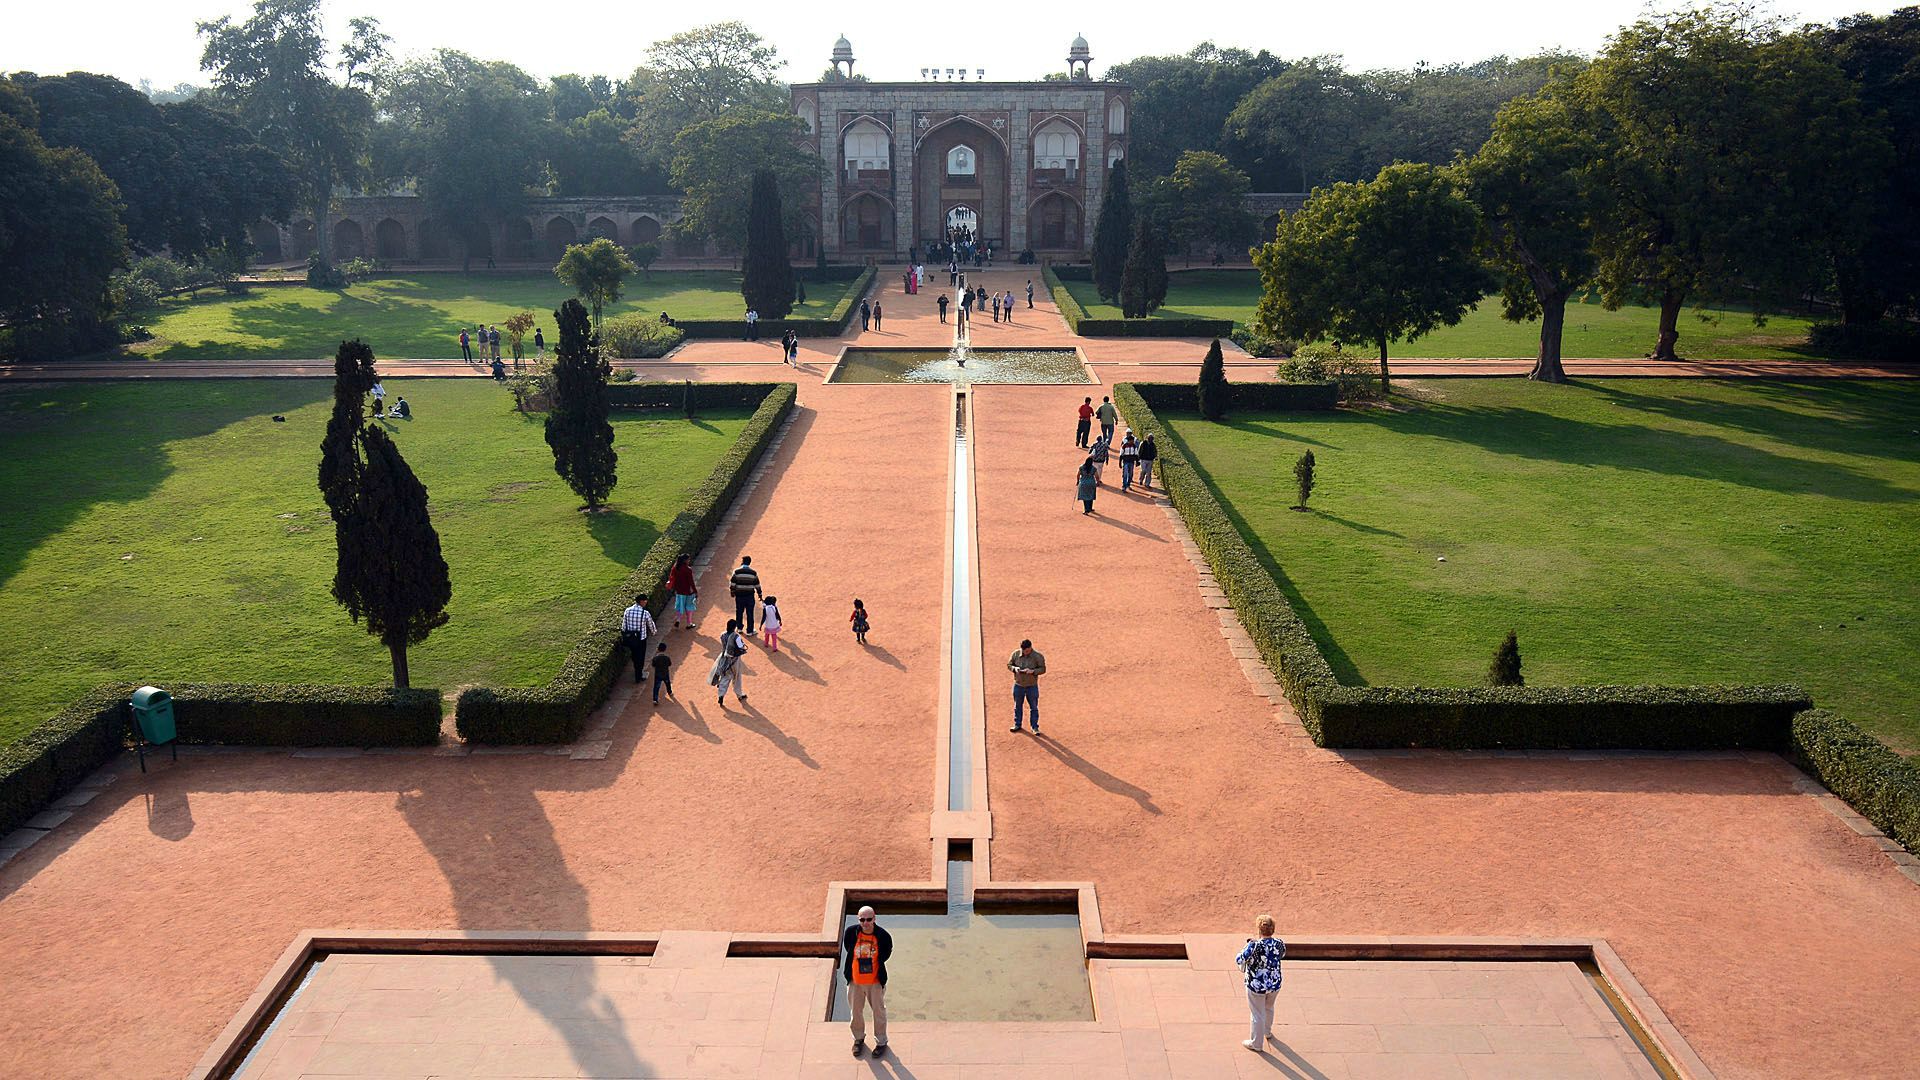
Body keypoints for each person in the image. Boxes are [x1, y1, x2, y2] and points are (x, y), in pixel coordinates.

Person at [843, 905, 893, 1058]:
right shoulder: (851, 933)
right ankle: (858, 1039)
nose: (865, 923)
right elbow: (848, 948)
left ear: (874, 918)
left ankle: (881, 1042)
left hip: (875, 982)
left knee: (879, 1013)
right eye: (862, 920)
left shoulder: (883, 936)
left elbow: (886, 953)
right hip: (855, 981)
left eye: (868, 919)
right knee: (856, 1012)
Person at [1236, 916, 1286, 1051]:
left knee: (1257, 1013)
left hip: (1256, 985)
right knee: (1269, 1007)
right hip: (1274, 983)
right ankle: (1267, 1032)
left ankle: (1256, 1043)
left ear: (1259, 929)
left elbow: (1239, 959)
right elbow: (1282, 954)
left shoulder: (1254, 945)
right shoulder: (1279, 943)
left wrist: (1249, 946)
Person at [709, 619, 749, 706]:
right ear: (734, 627)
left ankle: (721, 695)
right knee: (737, 677)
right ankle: (739, 694)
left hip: (724, 659)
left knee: (725, 677)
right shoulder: (736, 636)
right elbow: (741, 646)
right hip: (735, 660)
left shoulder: (722, 635)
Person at [1008, 639, 1046, 732]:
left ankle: (1034, 727)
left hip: (1031, 686)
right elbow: (1009, 665)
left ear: (1030, 647)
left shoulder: (1038, 656)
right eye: (1024, 651)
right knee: (1018, 706)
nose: (1025, 653)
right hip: (1018, 685)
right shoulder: (1016, 654)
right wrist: (1014, 668)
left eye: (1027, 651)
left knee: (1033, 707)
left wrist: (1033, 671)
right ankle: (1017, 725)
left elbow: (1043, 669)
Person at [620, 593, 657, 684]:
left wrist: (624, 634)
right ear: (641, 602)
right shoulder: (645, 613)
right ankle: (639, 675)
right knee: (640, 657)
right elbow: (651, 624)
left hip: (631, 638)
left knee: (634, 654)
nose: (646, 602)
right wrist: (654, 632)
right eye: (645, 601)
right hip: (641, 639)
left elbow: (624, 625)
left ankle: (637, 668)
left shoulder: (627, 611)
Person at [730, 555, 763, 634]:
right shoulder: (753, 573)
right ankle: (750, 631)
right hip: (749, 596)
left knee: (739, 611)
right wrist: (760, 594)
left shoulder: (736, 572)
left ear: (742, 562)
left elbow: (732, 584)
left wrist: (732, 592)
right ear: (749, 563)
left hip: (739, 595)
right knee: (750, 613)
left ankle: (739, 628)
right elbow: (757, 585)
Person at [668, 553, 698, 629]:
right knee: (689, 607)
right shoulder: (688, 569)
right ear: (685, 560)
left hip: (679, 591)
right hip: (688, 591)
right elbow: (691, 582)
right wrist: (695, 591)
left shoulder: (675, 568)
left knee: (679, 606)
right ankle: (689, 623)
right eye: (688, 559)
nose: (689, 561)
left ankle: (678, 619)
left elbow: (672, 578)